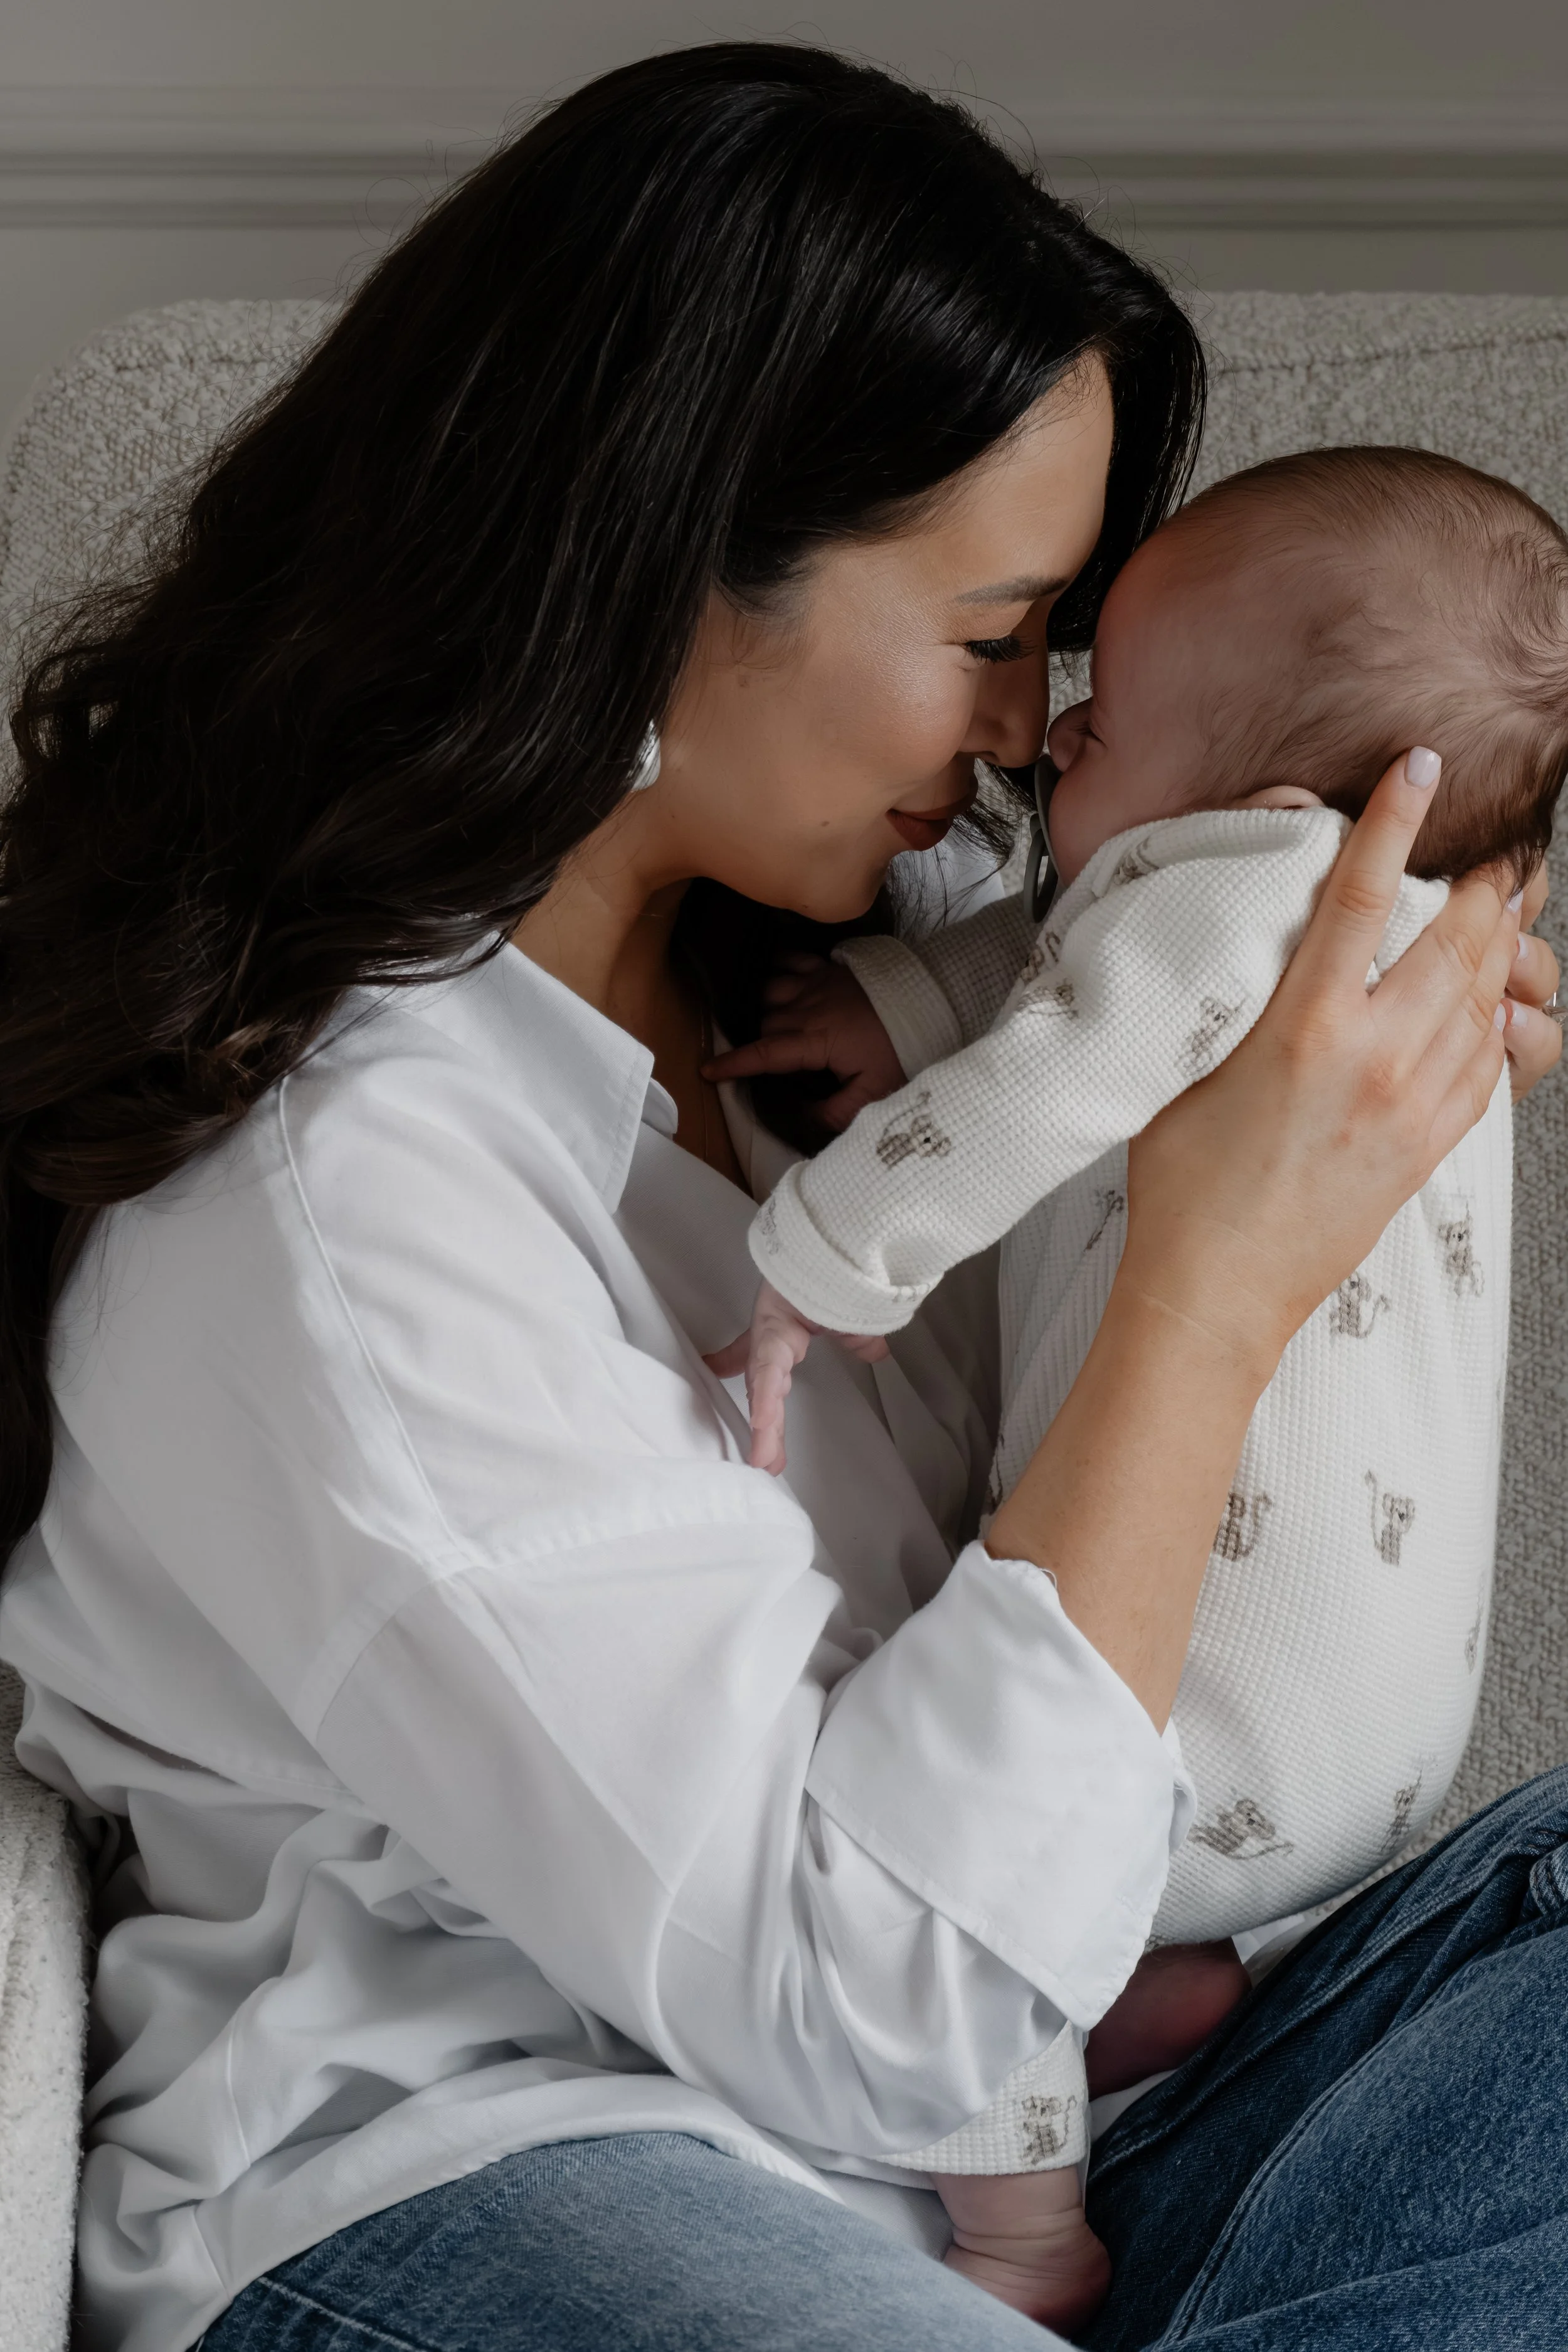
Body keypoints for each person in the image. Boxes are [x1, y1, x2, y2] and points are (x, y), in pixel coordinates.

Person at [0, 42, 1559, 2352]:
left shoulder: (874, 980)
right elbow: (879, 2003)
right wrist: (1216, 1282)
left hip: (1044, 2115)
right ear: (658, 567)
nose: (1027, 734)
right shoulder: (333, 1206)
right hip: (519, 2153)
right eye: (988, 635)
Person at [708, 442, 1568, 2328]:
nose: (1049, 732)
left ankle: (1021, 2230)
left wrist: (824, 1255)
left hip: (1202, 1716)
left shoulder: (1231, 893)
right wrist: (901, 1005)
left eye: (1102, 706)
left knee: (1009, 1825)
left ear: (1270, 806)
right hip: (1375, 1758)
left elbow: (1067, 1050)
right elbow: (1059, 957)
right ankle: (1176, 1997)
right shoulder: (1409, 955)